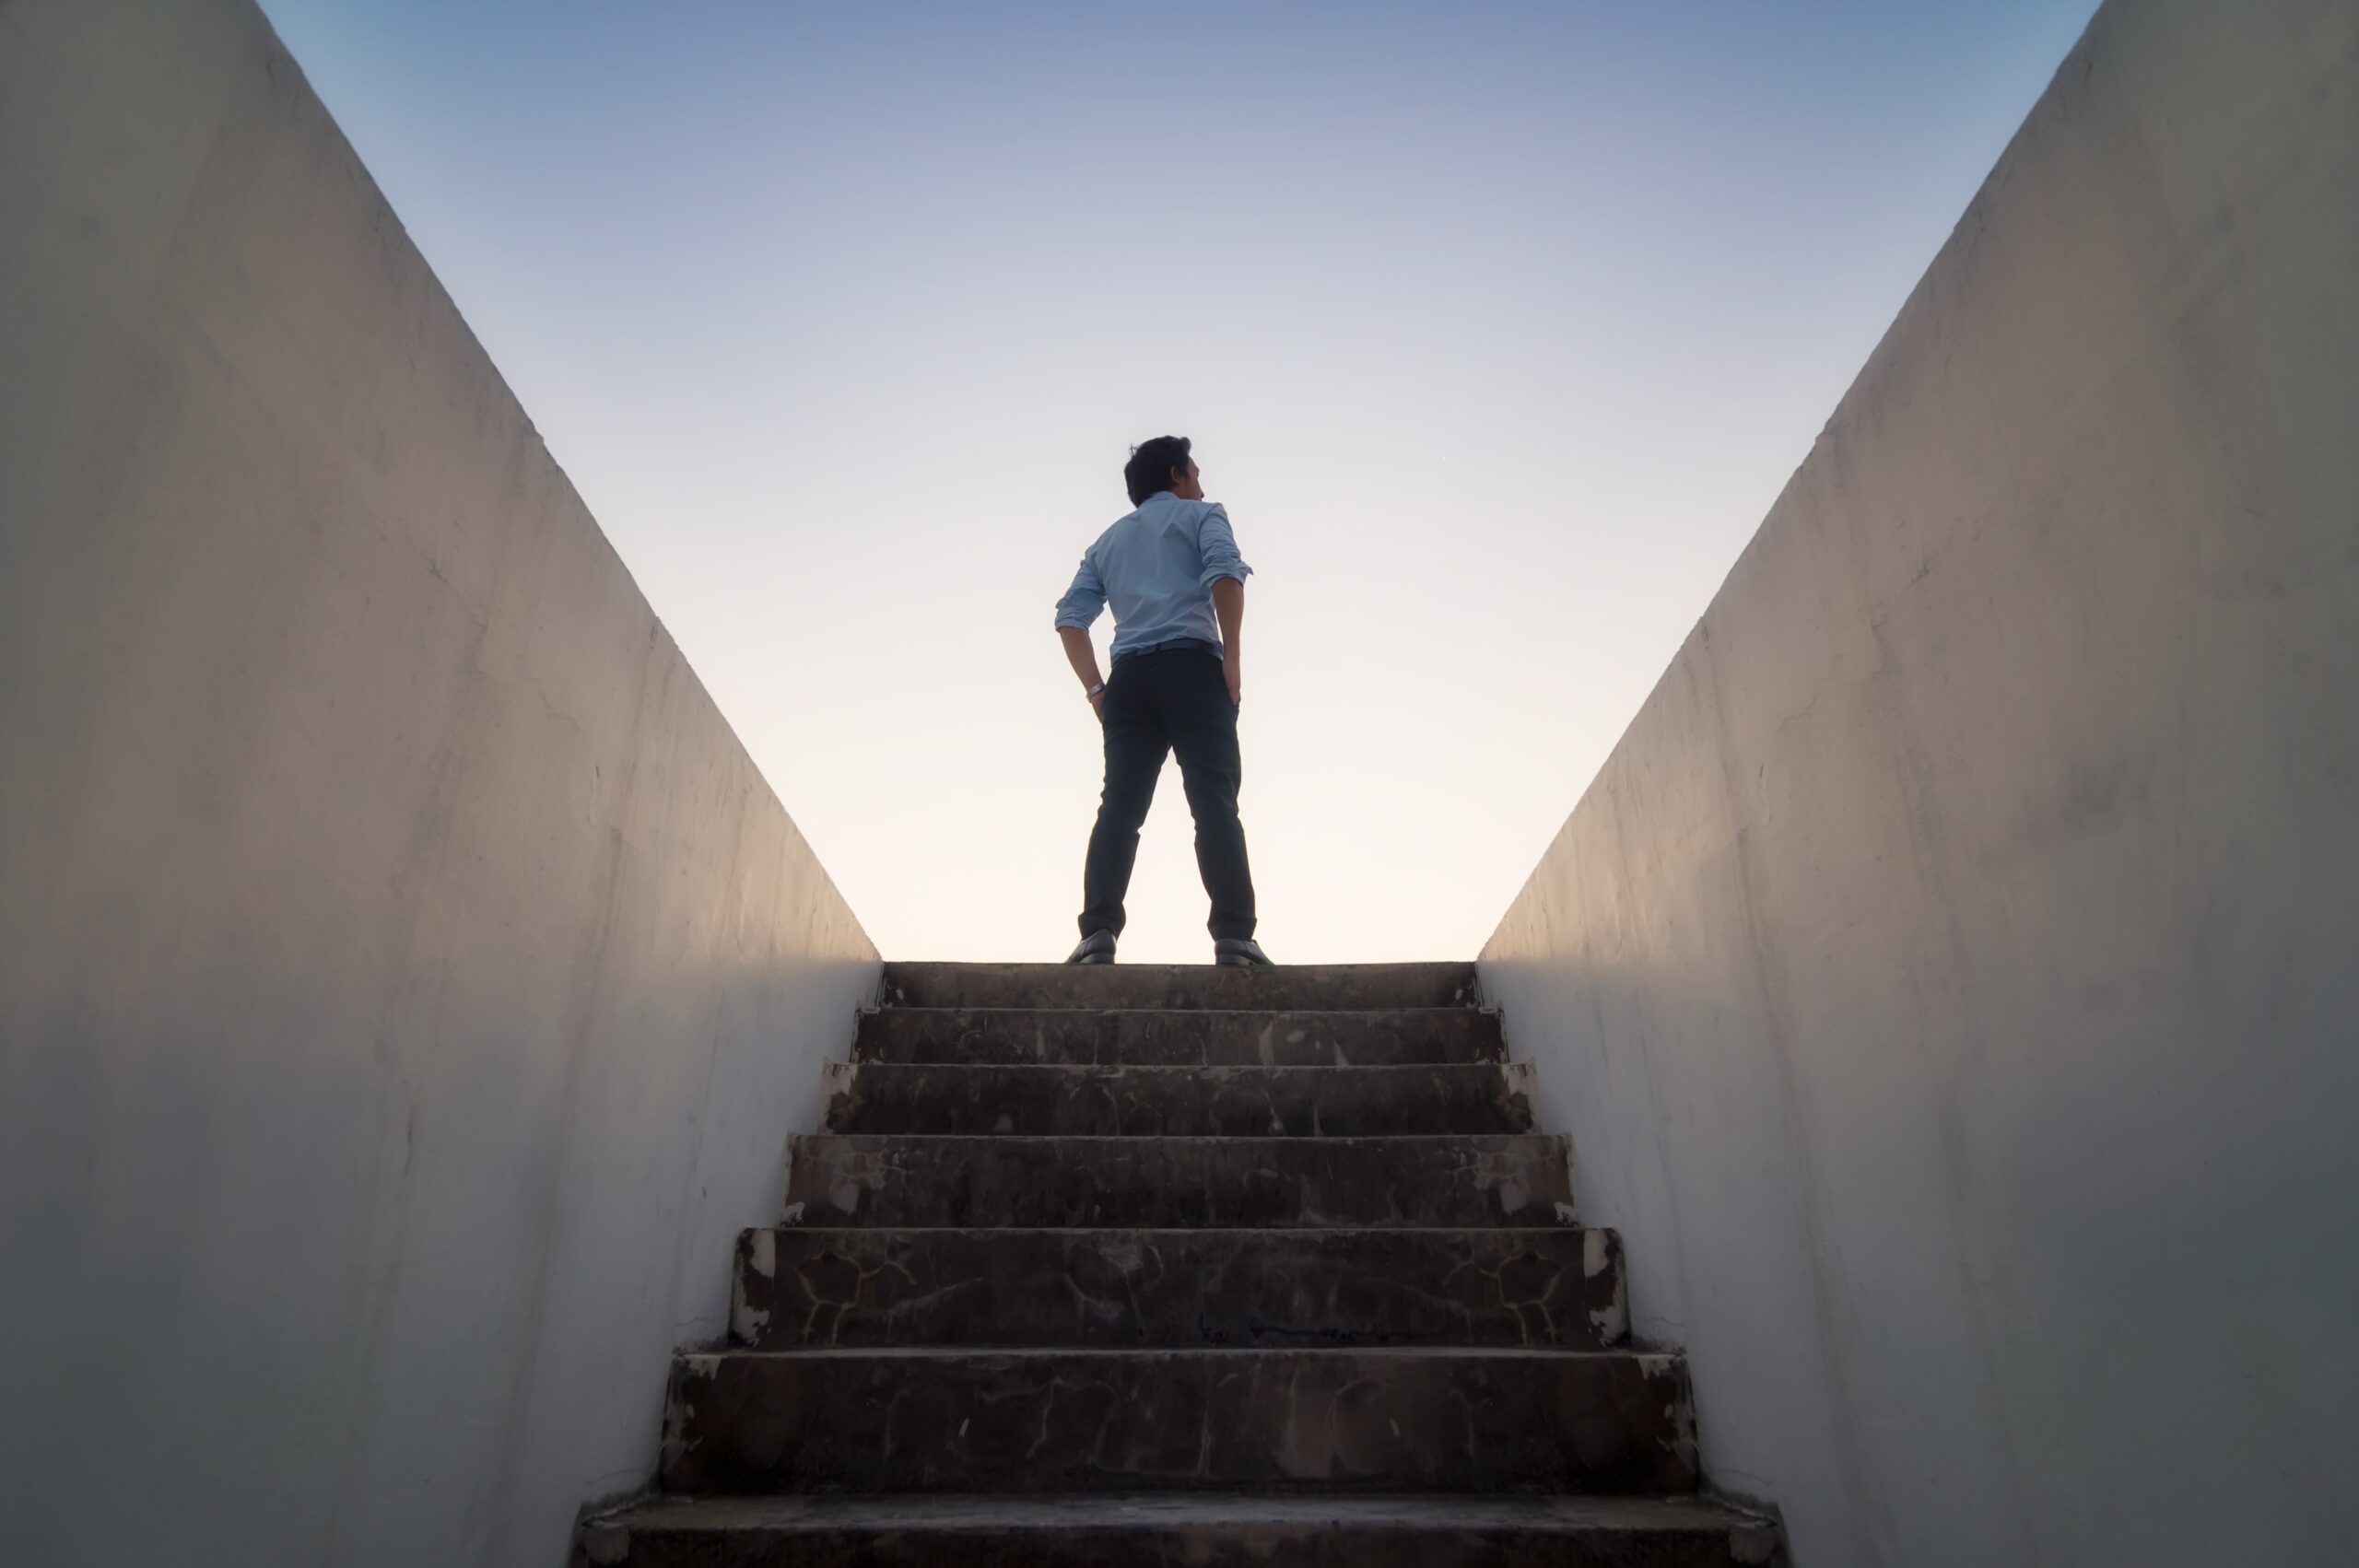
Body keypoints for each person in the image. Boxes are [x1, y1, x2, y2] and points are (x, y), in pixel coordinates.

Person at [1053, 436, 1273, 967]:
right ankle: (1234, 937)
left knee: (1120, 810)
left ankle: (1097, 934)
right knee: (1214, 804)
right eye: (1195, 473)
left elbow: (1069, 618)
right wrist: (1233, 661)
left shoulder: (1108, 541)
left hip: (1129, 680)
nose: (1201, 484)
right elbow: (1224, 573)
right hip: (1193, 669)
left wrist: (1096, 690)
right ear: (1176, 475)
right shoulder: (1202, 517)